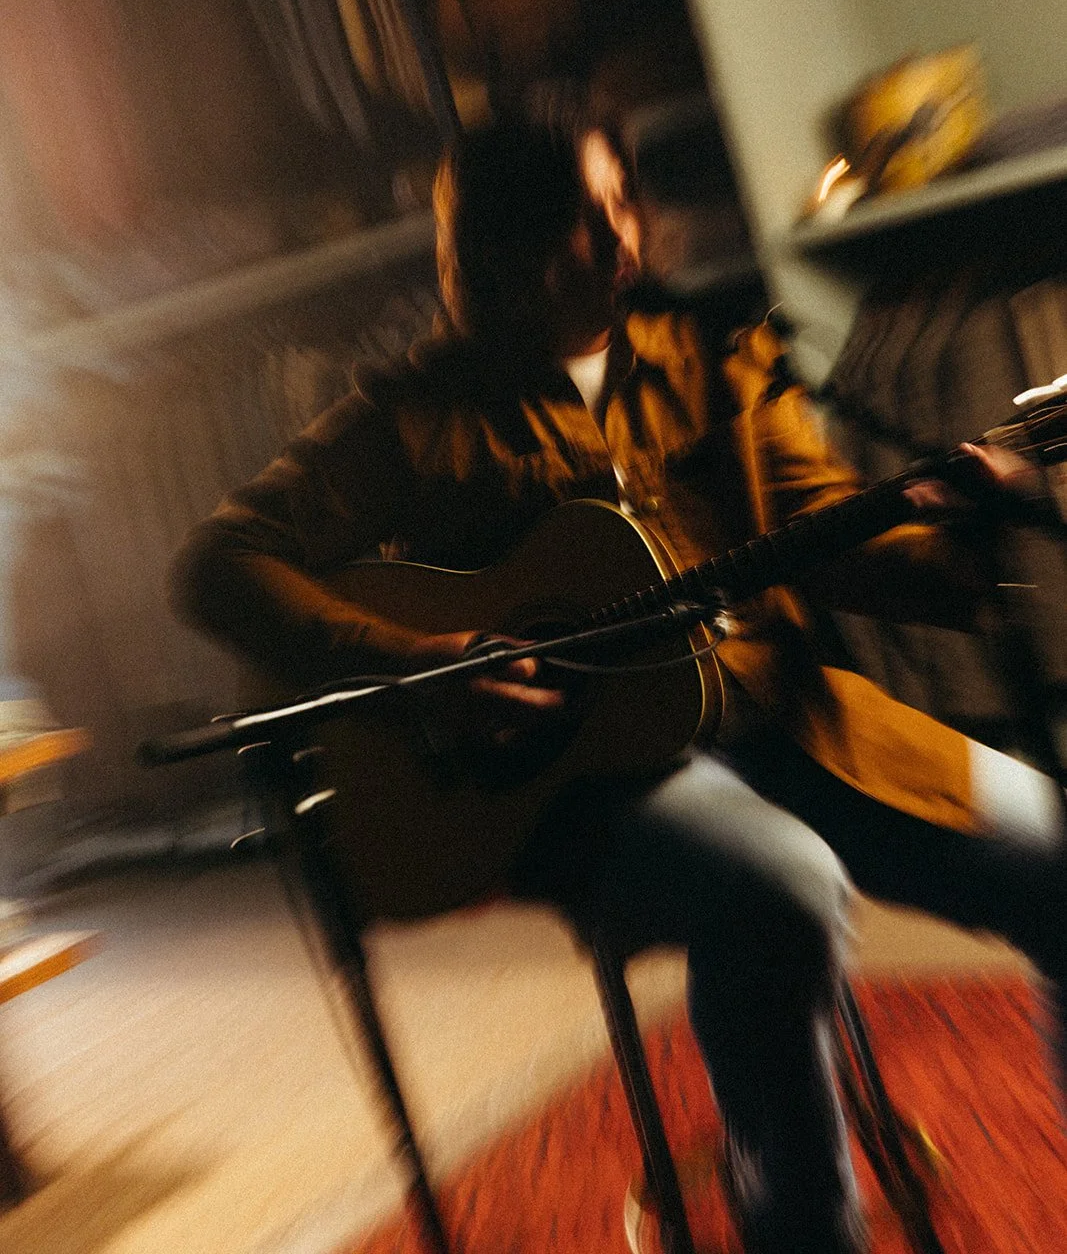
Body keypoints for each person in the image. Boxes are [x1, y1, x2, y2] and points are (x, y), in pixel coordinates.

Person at [169, 113, 1067, 1254]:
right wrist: (413, 665)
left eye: (620, 204)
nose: (617, 236)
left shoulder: (714, 356)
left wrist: (965, 538)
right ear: (494, 249)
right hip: (584, 781)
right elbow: (218, 563)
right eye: (576, 217)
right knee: (780, 889)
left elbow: (824, 536)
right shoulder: (412, 415)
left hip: (787, 722)